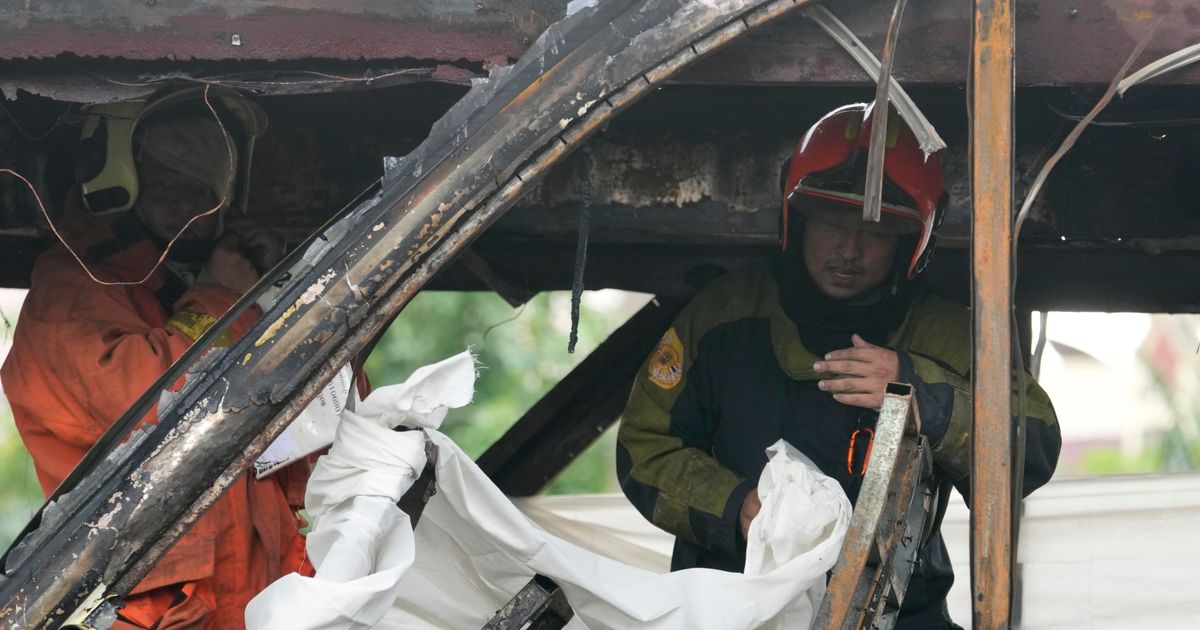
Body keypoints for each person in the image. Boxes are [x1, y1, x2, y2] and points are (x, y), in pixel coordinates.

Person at [617, 102, 1062, 628]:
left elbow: (1033, 445)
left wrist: (921, 394)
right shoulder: (723, 316)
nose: (848, 249)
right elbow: (644, 447)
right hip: (735, 608)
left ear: (912, 238)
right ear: (797, 216)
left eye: (875, 231)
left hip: (901, 616)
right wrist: (739, 506)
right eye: (830, 222)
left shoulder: (949, 338)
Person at [0, 86, 309, 628]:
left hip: (266, 600)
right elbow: (148, 409)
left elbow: (327, 423)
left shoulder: (220, 286)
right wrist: (219, 297)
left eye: (200, 191)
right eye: (165, 183)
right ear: (119, 177)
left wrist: (282, 298)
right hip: (152, 608)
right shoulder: (73, 286)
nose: (184, 207)